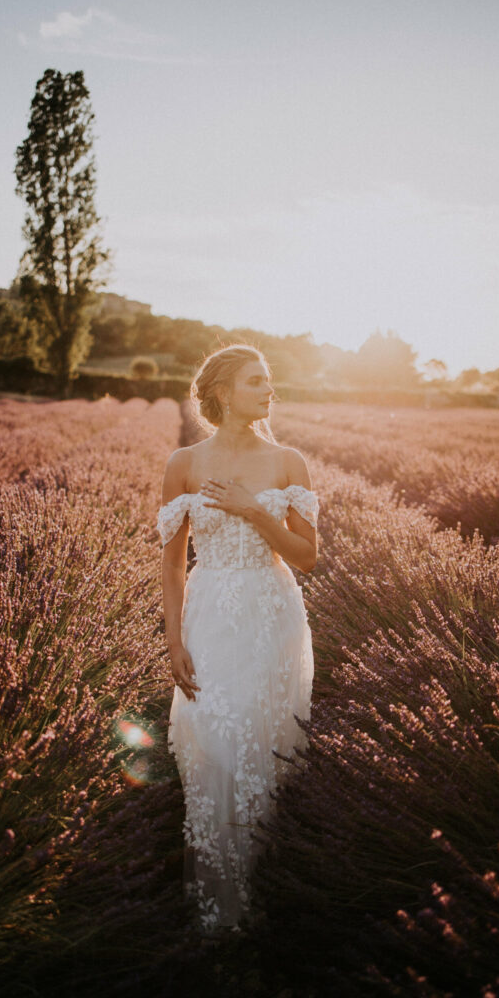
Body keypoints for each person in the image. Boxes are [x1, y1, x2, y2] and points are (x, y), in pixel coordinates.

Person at [157, 343, 319, 934]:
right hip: (208, 615)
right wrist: (173, 640)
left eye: (269, 382)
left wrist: (256, 513)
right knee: (211, 742)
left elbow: (307, 558)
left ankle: (261, 891)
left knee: (260, 745)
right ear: (225, 393)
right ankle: (219, 902)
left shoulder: (287, 462)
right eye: (257, 381)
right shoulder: (185, 464)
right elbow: (173, 565)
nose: (268, 391)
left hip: (271, 617)